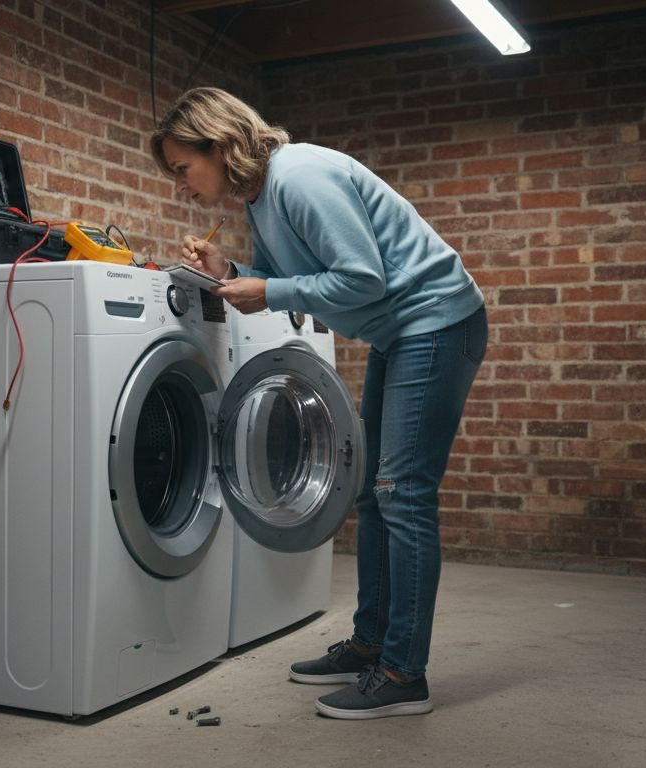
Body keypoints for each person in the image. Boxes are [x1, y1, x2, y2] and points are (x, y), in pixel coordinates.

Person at [150, 87, 488, 720]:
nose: (180, 185)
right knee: (372, 489)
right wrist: (233, 268)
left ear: (220, 146)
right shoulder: (261, 197)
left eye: (182, 168)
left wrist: (269, 287)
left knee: (402, 493)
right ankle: (371, 644)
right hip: (402, 331)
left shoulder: (299, 176)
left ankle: (402, 675)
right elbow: (303, 282)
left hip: (439, 322)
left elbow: (362, 278)